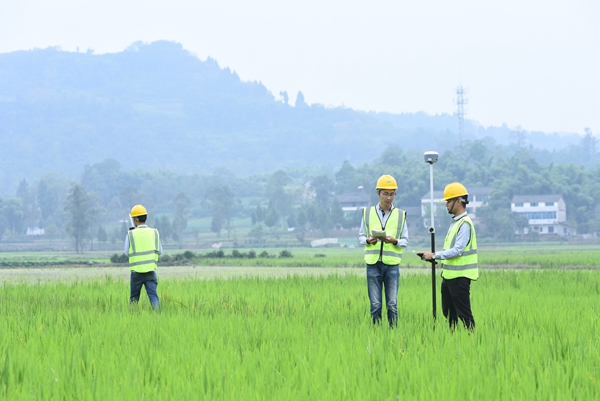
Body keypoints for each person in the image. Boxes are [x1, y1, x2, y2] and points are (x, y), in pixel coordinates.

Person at [420, 182, 478, 331]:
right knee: (448, 312)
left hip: (460, 278)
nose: (446, 204)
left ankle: (473, 340)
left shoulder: (464, 224)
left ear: (458, 201)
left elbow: (458, 250)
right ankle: (453, 338)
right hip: (449, 276)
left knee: (464, 314)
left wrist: (434, 255)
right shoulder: (455, 223)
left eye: (448, 201)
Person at [358, 174, 408, 327]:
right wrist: (368, 240)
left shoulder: (400, 215)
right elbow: (360, 237)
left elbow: (405, 241)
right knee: (375, 305)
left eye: (391, 193)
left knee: (392, 305)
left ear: (395, 194)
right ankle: (377, 335)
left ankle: (393, 334)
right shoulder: (367, 213)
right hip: (373, 264)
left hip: (392, 265)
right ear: (378, 193)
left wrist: (395, 241)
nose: (388, 197)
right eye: (385, 193)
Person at [124, 204, 163, 310]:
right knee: (154, 297)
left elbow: (126, 253)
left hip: (136, 272)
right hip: (150, 271)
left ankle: (133, 319)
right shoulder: (154, 232)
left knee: (134, 299)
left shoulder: (131, 234)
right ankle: (159, 317)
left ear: (135, 219)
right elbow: (160, 251)